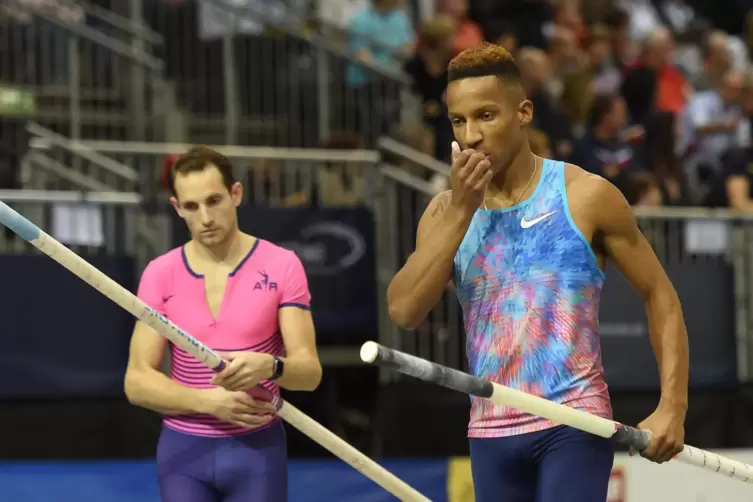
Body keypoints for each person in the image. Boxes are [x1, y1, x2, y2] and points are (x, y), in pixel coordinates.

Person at [386, 43, 689, 502]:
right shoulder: (444, 213)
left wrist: (673, 406)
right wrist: (462, 211)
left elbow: (660, 295)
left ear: (523, 112)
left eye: (486, 116)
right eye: (458, 121)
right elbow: (404, 310)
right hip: (489, 431)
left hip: (574, 422)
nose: (470, 136)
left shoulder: (586, 196)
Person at [124, 146, 323, 502]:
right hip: (183, 452)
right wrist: (208, 402)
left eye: (214, 200)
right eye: (191, 207)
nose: (205, 218)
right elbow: (137, 382)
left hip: (256, 451)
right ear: (176, 208)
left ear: (236, 194)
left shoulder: (282, 265)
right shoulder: (160, 273)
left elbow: (309, 373)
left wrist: (271, 366)